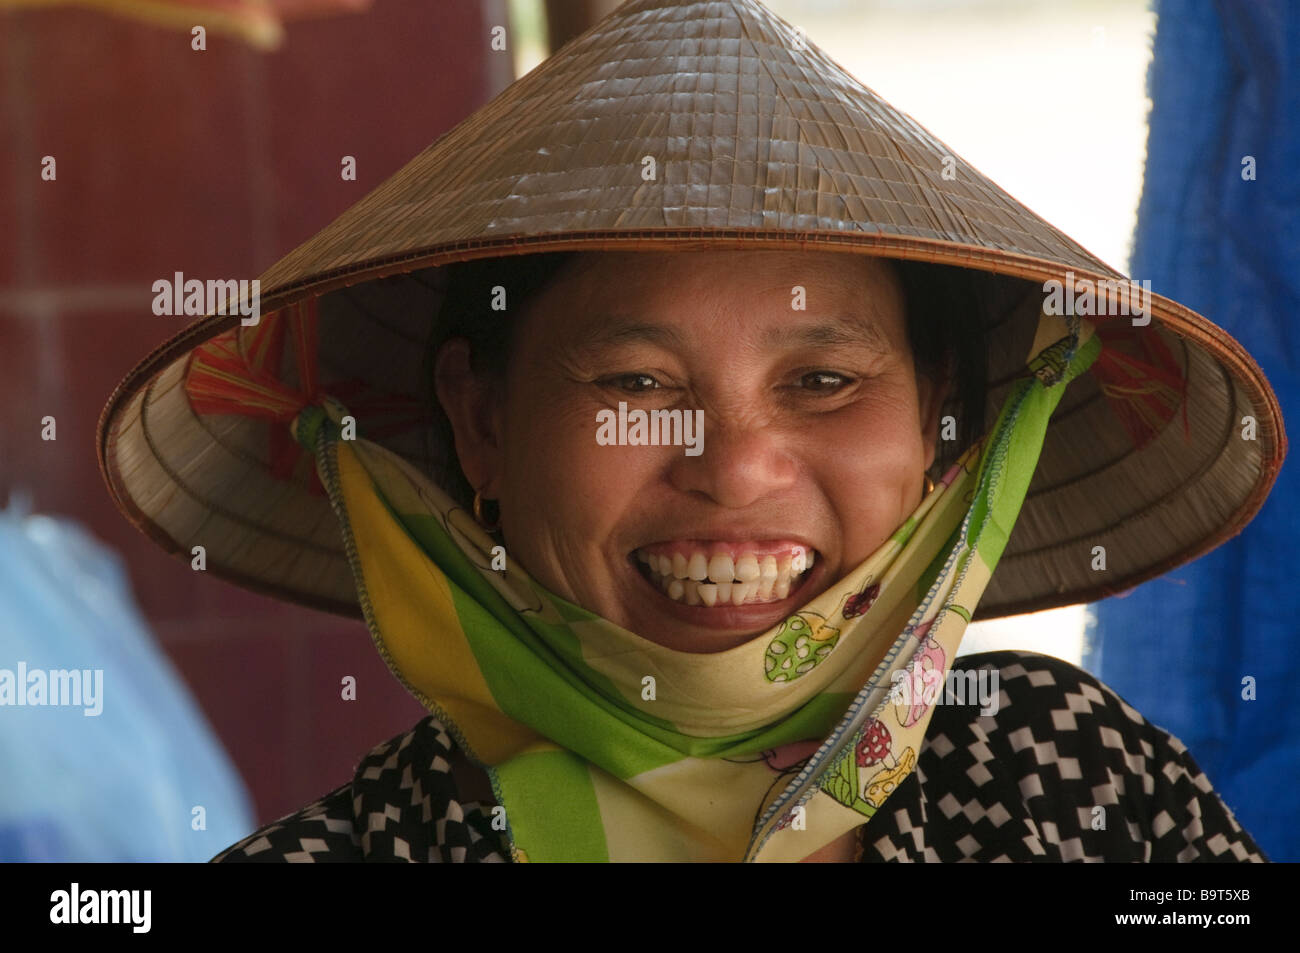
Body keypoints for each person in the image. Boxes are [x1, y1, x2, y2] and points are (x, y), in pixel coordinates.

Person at [98, 0, 1282, 862]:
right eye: (635, 379)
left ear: (936, 424)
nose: (736, 468)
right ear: (482, 420)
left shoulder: (1073, 780)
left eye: (822, 378)